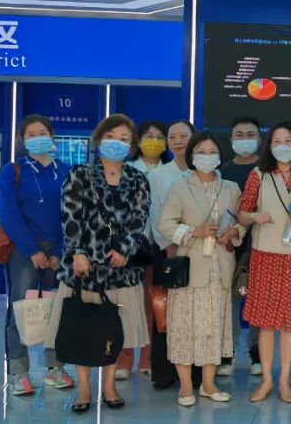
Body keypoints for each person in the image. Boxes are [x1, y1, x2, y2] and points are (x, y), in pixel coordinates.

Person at [47, 114, 151, 414]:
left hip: (121, 270)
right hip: (85, 269)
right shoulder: (80, 174)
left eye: (124, 139)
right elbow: (70, 218)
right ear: (99, 139)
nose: (116, 143)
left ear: (132, 146)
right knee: (83, 328)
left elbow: (139, 220)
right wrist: (77, 252)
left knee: (114, 331)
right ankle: (83, 387)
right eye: (110, 137)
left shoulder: (138, 179)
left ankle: (109, 385)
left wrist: (125, 250)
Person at [158, 131, 244, 407]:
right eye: (201, 152)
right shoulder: (180, 187)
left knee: (213, 327)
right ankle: (185, 386)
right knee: (184, 327)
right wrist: (194, 231)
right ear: (192, 156)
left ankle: (208, 384)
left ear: (220, 156)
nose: (207, 157)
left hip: (220, 268)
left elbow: (242, 222)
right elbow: (165, 225)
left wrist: (234, 233)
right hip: (189, 268)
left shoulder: (231, 188)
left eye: (212, 152)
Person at [237, 122, 291, 404]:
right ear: (269, 146)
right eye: (276, 141)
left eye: (288, 140)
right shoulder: (258, 175)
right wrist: (254, 216)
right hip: (265, 254)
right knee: (266, 323)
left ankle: (284, 379)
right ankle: (267, 380)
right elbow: (242, 213)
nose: (283, 146)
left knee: (288, 324)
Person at [0, 115, 74, 396]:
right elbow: (8, 213)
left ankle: (55, 368)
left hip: (59, 251)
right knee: (20, 308)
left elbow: (73, 214)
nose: (38, 137)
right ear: (23, 140)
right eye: (31, 134)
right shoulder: (13, 171)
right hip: (23, 250)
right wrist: (31, 250)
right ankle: (19, 372)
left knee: (56, 309)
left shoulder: (66, 171)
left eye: (43, 132)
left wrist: (60, 250)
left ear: (52, 137)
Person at [145, 120, 197, 387]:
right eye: (172, 137)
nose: (177, 141)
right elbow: (155, 214)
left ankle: (195, 373)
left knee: (194, 311)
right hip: (167, 250)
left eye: (183, 136)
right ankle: (164, 373)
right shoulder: (158, 175)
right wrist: (171, 243)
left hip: (200, 250)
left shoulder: (207, 171)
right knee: (164, 311)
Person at [118, 119, 168, 379]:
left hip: (158, 245)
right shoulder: (125, 170)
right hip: (128, 246)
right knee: (125, 303)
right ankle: (123, 360)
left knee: (154, 303)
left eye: (160, 137)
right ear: (138, 141)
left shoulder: (171, 172)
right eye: (149, 136)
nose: (154, 141)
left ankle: (147, 359)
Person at [219, 116, 263, 376]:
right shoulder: (221, 171)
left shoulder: (267, 171)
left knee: (259, 300)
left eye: (250, 135)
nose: (244, 139)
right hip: (229, 245)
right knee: (230, 300)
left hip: (262, 244)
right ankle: (228, 351)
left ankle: (256, 351)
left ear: (259, 139)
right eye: (239, 135)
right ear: (231, 139)